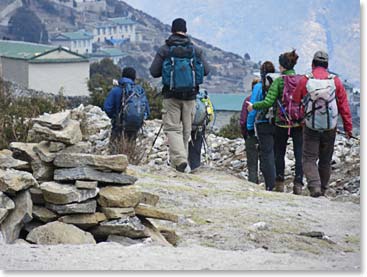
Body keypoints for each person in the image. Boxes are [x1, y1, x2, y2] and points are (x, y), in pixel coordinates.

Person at [150, 18, 210, 173]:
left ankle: (180, 161)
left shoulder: (165, 49)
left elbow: (153, 71)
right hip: (191, 97)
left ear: (172, 30)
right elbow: (207, 70)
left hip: (171, 96)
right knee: (185, 131)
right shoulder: (195, 50)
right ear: (185, 30)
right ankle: (180, 165)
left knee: (172, 129)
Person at [294, 50, 353, 197]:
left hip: (310, 127)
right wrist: (348, 128)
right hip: (330, 127)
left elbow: (296, 102)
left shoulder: (305, 80)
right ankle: (324, 188)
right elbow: (344, 106)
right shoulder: (336, 82)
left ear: (312, 64)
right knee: (325, 159)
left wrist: (300, 119)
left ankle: (314, 186)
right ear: (327, 65)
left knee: (309, 158)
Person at [247, 50, 304, 195]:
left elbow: (268, 102)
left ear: (282, 66)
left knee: (279, 153)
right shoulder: (302, 80)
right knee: (299, 154)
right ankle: (298, 184)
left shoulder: (279, 81)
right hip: (298, 122)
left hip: (282, 122)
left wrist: (254, 106)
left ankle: (280, 183)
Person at [247, 62, 278, 190]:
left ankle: (271, 185)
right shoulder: (278, 84)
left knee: (267, 154)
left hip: (263, 124)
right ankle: (279, 179)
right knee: (277, 153)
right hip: (278, 123)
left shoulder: (259, 87)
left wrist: (249, 127)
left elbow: (252, 108)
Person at [103, 67, 150, 142]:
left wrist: (115, 117)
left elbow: (107, 107)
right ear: (134, 77)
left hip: (118, 127)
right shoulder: (139, 90)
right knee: (130, 148)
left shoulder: (116, 90)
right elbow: (147, 110)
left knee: (115, 150)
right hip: (134, 127)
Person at [188, 89, 214, 172]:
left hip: (185, 125)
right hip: (199, 126)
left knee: (182, 146)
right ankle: (195, 168)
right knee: (196, 149)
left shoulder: (184, 94)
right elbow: (210, 116)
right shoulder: (203, 97)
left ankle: (182, 168)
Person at [240, 78, 260, 184]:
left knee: (252, 162)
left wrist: (245, 134)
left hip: (250, 134)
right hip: (264, 133)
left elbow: (243, 120)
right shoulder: (266, 99)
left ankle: (253, 182)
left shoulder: (248, 100)